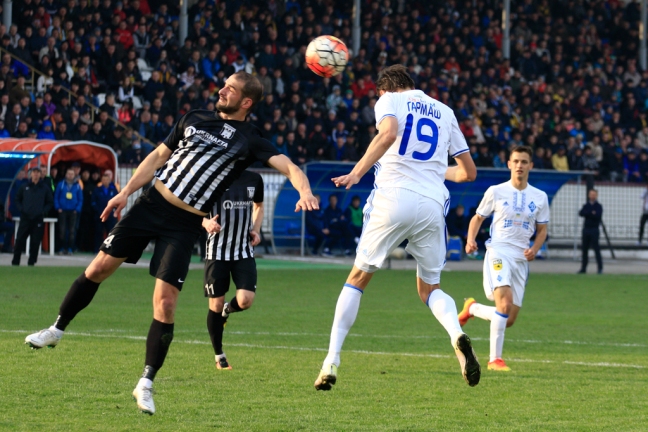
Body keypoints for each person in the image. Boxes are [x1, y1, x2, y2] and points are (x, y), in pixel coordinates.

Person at [24, 71, 318, 416]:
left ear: (247, 102)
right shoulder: (193, 118)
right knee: (98, 268)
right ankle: (56, 329)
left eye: (230, 89)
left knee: (165, 303)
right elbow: (157, 157)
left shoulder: (250, 139)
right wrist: (124, 192)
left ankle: (146, 383)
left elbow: (290, 166)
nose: (221, 91)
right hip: (150, 205)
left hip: (185, 225)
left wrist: (306, 190)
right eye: (223, 85)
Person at [314, 65, 480, 391]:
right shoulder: (445, 111)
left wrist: (356, 173)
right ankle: (456, 334)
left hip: (393, 196)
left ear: (385, 89)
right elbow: (468, 173)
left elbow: (388, 133)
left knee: (358, 278)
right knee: (429, 288)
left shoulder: (389, 100)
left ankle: (331, 360)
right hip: (432, 203)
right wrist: (431, 169)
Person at [458, 145, 550, 372]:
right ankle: (494, 360)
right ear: (509, 164)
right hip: (498, 252)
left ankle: (472, 309)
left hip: (521, 258)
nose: (520, 165)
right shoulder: (496, 191)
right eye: (516, 161)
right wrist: (470, 240)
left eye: (524, 162)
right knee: (504, 304)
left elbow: (542, 230)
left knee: (507, 319)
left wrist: (535, 249)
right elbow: (477, 219)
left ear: (531, 166)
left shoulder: (540, 197)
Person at [202, 170, 264, 370]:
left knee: (246, 300)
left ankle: (228, 310)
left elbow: (259, 206)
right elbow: (193, 209)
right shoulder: (211, 176)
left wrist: (256, 228)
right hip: (217, 252)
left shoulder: (254, 178)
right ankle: (219, 355)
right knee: (215, 303)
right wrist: (206, 222)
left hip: (243, 251)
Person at [11, 168, 54, 266]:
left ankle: (31, 262)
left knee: (35, 242)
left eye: (37, 173)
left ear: (40, 175)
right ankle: (15, 261)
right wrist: (22, 209)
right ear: (30, 175)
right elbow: (17, 199)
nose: (35, 174)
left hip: (38, 218)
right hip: (25, 218)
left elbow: (50, 202)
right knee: (20, 240)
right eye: (34, 173)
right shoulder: (24, 186)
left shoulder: (44, 188)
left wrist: (43, 211)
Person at [54, 168, 84, 255]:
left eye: (72, 174)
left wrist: (77, 209)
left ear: (74, 175)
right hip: (62, 210)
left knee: (72, 231)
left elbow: (80, 199)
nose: (70, 175)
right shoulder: (61, 184)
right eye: (68, 173)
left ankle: (70, 248)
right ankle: (62, 248)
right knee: (62, 231)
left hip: (73, 211)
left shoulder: (78, 186)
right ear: (66, 174)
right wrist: (58, 207)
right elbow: (56, 197)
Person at [91, 170, 119, 252]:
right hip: (100, 215)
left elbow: (117, 201)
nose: (105, 181)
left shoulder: (113, 190)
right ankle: (97, 249)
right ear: (101, 180)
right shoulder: (97, 190)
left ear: (109, 180)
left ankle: (110, 249)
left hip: (110, 215)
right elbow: (93, 202)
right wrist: (98, 211)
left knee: (111, 233)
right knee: (98, 232)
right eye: (104, 179)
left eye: (107, 179)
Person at [577, 189, 603, 274]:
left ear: (596, 195)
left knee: (596, 249)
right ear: (589, 195)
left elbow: (597, 216)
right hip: (586, 229)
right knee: (584, 249)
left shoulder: (598, 206)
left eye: (594, 194)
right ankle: (583, 268)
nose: (592, 196)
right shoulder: (586, 205)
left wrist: (588, 213)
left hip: (594, 229)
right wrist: (591, 213)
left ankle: (600, 268)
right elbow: (581, 213)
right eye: (591, 194)